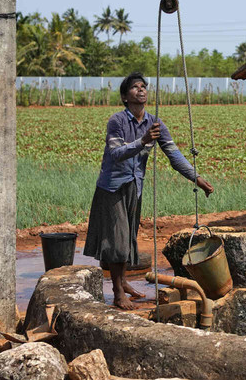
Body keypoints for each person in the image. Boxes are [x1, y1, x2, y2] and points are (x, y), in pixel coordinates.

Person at [85, 73, 215, 310]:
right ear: (125, 97)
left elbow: (174, 155)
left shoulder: (155, 123)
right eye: (135, 87)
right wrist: (143, 141)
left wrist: (197, 178)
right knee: (117, 241)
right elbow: (116, 153)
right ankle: (117, 291)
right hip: (112, 187)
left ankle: (123, 281)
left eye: (143, 86)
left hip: (135, 187)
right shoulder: (117, 121)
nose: (141, 90)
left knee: (128, 238)